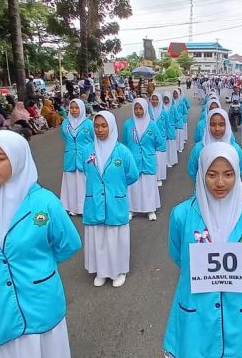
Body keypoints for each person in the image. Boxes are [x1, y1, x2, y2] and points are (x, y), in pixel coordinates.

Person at [0, 130, 81, 358]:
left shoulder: (44, 202)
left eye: (0, 158)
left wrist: (39, 263)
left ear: (18, 159)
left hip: (38, 299)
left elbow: (69, 243)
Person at [162, 142, 242, 358]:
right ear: (201, 174)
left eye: (228, 174)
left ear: (237, 174)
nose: (220, 183)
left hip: (237, 308)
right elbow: (178, 256)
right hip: (195, 310)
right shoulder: (182, 215)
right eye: (212, 175)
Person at [80, 111, 139, 288]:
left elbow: (133, 175)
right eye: (96, 126)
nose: (100, 129)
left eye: (104, 126)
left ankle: (118, 271)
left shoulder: (123, 151)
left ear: (112, 127)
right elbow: (86, 171)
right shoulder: (87, 151)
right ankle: (101, 271)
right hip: (94, 202)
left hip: (116, 202)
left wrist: (115, 188)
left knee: (115, 238)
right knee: (98, 236)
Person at [122, 98, 166, 221]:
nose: (138, 111)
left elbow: (159, 142)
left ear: (146, 108)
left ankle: (150, 209)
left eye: (140, 108)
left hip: (148, 160)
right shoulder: (128, 124)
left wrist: (150, 152)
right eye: (136, 108)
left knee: (148, 186)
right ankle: (132, 209)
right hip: (133, 160)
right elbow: (125, 142)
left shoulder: (152, 124)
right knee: (133, 186)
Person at [188, 108, 242, 182]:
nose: (217, 129)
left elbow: (239, 172)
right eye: (212, 124)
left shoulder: (235, 149)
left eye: (221, 124)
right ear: (207, 126)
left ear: (227, 126)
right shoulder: (199, 148)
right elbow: (193, 171)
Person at [60, 99, 94, 216]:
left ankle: (86, 207)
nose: (74, 110)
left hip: (85, 157)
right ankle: (73, 207)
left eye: (76, 108)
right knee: (71, 183)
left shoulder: (89, 124)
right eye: (72, 108)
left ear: (82, 109)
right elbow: (65, 137)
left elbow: (94, 139)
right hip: (70, 158)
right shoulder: (65, 123)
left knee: (84, 183)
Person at [149, 93, 171, 186]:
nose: (154, 101)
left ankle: (159, 177)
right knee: (152, 158)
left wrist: (166, 136)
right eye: (152, 99)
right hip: (150, 139)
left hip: (161, 139)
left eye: (156, 99)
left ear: (160, 100)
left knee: (160, 159)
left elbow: (167, 125)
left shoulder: (164, 113)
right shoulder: (147, 112)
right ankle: (152, 176)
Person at [163, 93, 180, 166]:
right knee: (166, 146)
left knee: (171, 145)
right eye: (164, 99)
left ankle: (171, 161)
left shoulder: (173, 107)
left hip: (171, 129)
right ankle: (165, 161)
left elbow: (177, 118)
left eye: (167, 99)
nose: (166, 100)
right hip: (164, 130)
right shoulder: (161, 108)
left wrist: (173, 124)